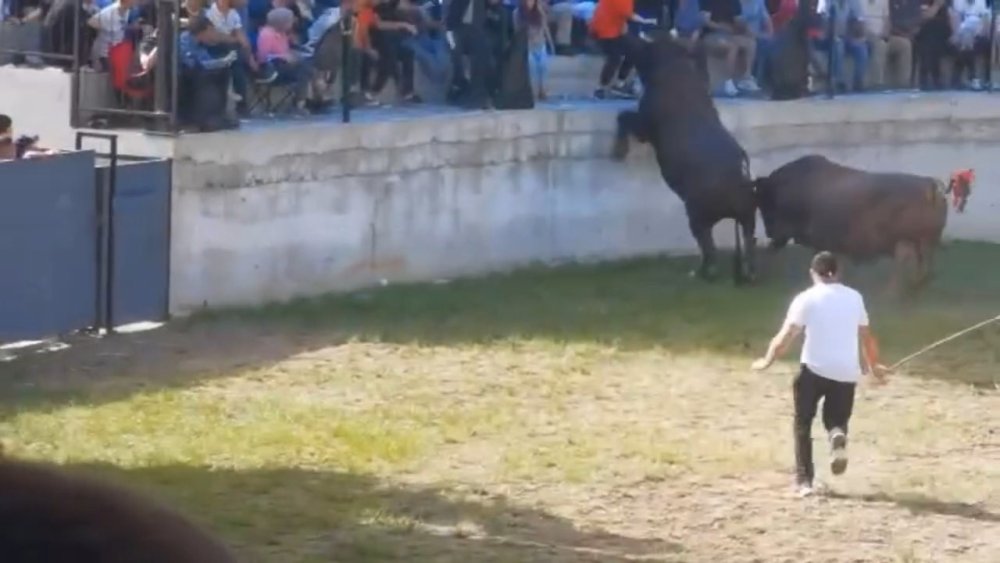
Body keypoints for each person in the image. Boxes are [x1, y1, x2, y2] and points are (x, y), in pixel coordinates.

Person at [751, 251, 890, 498]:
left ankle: (805, 482)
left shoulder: (806, 298)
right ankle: (837, 434)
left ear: (813, 273)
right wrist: (873, 365)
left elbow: (787, 335)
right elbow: (866, 336)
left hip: (813, 370)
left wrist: (767, 360)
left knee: (803, 422)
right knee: (836, 419)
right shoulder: (854, 298)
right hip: (846, 373)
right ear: (838, 273)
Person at [589, 0, 656, 99]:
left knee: (635, 49)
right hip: (603, 33)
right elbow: (628, 14)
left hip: (614, 32)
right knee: (615, 57)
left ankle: (620, 84)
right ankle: (600, 88)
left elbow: (622, 18)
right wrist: (646, 21)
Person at [515, 0, 555, 100]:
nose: (530, 2)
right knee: (532, 67)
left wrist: (551, 43)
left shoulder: (539, 12)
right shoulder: (517, 13)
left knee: (543, 66)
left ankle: (542, 90)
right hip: (527, 45)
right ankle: (533, 92)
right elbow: (517, 32)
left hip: (540, 43)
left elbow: (545, 28)